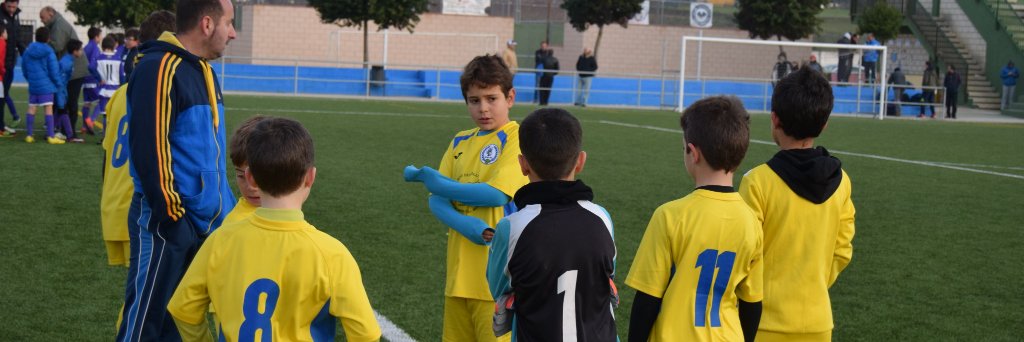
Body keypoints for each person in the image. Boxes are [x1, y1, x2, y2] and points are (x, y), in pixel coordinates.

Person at [167, 117, 382, 341]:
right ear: (310, 177)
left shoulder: (220, 240)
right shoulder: (333, 255)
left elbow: (183, 310)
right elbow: (366, 335)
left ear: (251, 177)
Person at [118, 0, 238, 340]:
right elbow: (149, 150)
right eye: (229, 23)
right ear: (207, 24)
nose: (233, 33)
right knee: (146, 324)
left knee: (177, 327)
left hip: (201, 224)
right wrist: (173, 217)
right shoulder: (159, 68)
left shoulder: (203, 71)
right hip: (169, 222)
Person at [403, 54, 529, 341]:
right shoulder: (460, 141)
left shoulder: (516, 138)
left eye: (491, 98)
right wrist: (468, 226)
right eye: (474, 100)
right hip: (458, 281)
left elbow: (496, 195)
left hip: (497, 284)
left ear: (510, 97)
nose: (483, 108)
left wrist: (436, 182)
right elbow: (436, 201)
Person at [626, 96, 763, 342]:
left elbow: (647, 300)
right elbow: (752, 304)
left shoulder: (670, 216)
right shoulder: (751, 222)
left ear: (693, 153)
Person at [738, 67, 855, 341]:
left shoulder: (757, 182)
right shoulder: (842, 181)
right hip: (817, 323)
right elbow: (842, 250)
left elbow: (742, 253)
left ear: (774, 119)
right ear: (824, 124)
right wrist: (814, 285)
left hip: (763, 324)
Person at [486, 108, 617, 341]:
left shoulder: (511, 227)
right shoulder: (602, 218)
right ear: (580, 161)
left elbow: (498, 288)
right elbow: (608, 276)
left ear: (523, 165)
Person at [99, 10, 176, 269]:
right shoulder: (161, 88)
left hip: (113, 205)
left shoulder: (119, 94)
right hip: (142, 207)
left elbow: (107, 154)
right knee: (150, 287)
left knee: (137, 284)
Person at [21, 27, 63, 144]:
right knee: (48, 109)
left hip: (34, 86)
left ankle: (29, 135)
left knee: (31, 108)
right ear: (48, 38)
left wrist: (30, 80)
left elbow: (24, 68)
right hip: (46, 86)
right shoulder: (49, 52)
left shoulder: (28, 51)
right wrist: (58, 83)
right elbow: (54, 71)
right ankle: (51, 136)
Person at [54, 39, 82, 143]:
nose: (81, 52)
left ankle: (51, 132)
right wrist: (61, 94)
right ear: (75, 51)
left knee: (59, 111)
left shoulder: (68, 60)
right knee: (63, 111)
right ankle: (70, 136)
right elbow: (59, 80)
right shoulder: (66, 62)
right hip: (60, 90)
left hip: (62, 90)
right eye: (80, 49)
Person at [0, 0, 23, 131]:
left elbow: (18, 39)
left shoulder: (16, 16)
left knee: (3, 95)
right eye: (9, 6)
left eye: (14, 7)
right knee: (1, 96)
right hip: (2, 66)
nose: (11, 9)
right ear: (5, 3)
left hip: (9, 64)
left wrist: (25, 54)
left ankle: (1, 124)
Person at [95, 36, 123, 126]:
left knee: (105, 114)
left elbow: (90, 67)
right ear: (114, 46)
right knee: (114, 114)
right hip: (115, 89)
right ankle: (112, 133)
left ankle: (105, 134)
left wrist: (99, 78)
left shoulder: (99, 58)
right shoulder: (118, 58)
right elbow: (121, 75)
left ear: (102, 46)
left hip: (103, 89)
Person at [81, 27, 102, 133]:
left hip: (85, 79)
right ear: (96, 37)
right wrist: (99, 78)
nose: (101, 38)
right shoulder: (95, 48)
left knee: (87, 103)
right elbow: (92, 65)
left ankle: (84, 126)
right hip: (92, 79)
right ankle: (91, 120)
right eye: (100, 36)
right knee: (102, 101)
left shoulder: (85, 47)